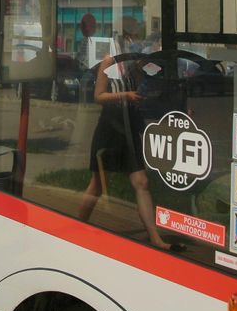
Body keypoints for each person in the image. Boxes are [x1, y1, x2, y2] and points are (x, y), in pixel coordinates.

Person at [77, 43, 181, 251]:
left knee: (141, 182)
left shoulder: (136, 66)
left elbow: (146, 85)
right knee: (98, 184)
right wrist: (126, 95)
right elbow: (99, 96)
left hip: (129, 128)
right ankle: (78, 226)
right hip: (110, 128)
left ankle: (154, 237)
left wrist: (147, 73)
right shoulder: (109, 62)